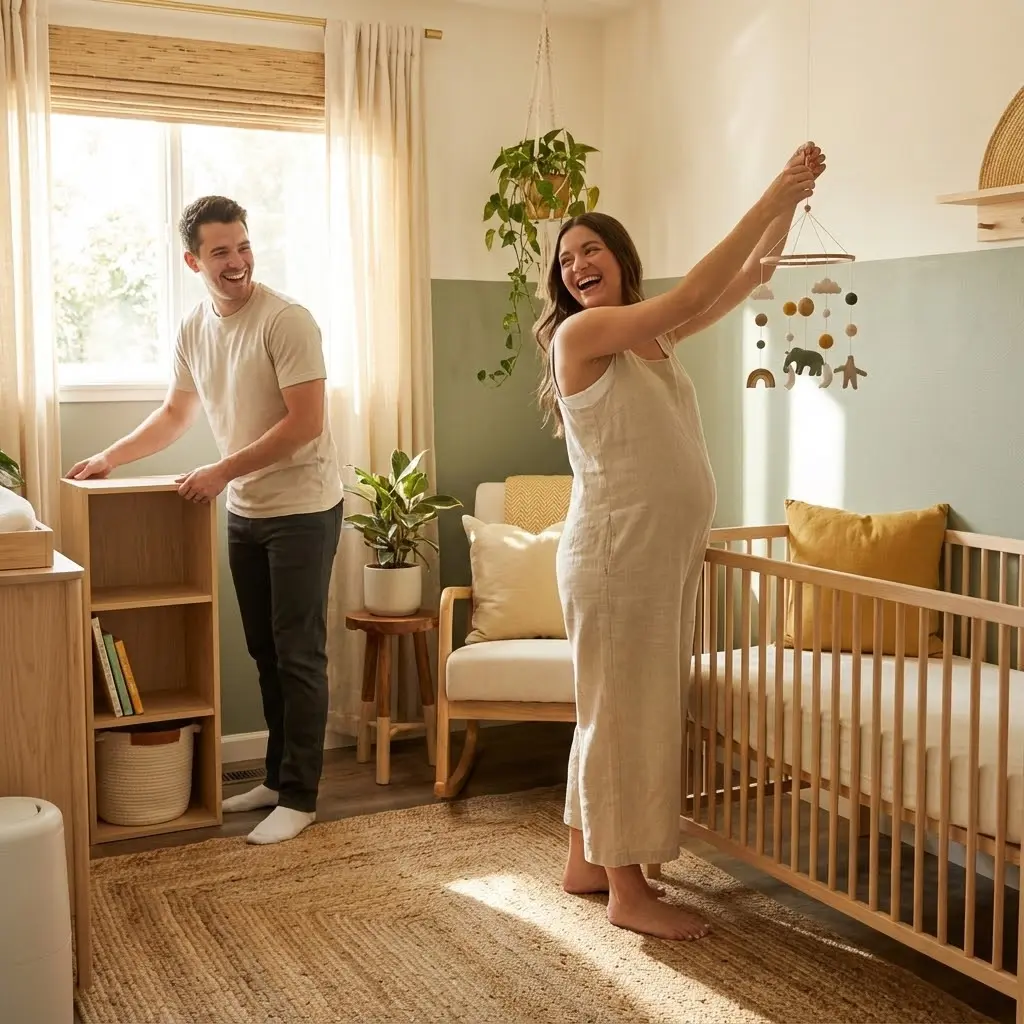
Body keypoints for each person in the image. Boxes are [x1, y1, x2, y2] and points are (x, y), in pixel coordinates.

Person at [534, 143, 826, 939]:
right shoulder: (583, 337)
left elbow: (745, 282)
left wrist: (792, 208)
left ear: (621, 261)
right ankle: (629, 893)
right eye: (566, 259)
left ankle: (586, 863)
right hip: (615, 556)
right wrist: (771, 190)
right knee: (625, 715)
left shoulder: (648, 337)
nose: (577, 264)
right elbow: (697, 287)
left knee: (610, 711)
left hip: (646, 559)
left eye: (590, 249)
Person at [66, 195, 344, 846]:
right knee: (264, 651)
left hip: (304, 508)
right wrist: (108, 456)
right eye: (221, 251)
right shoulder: (195, 328)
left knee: (299, 654)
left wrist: (220, 473)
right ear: (194, 260)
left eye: (243, 246)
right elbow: (175, 414)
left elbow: (305, 426)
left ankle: (301, 797)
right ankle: (277, 779)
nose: (238, 261)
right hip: (247, 511)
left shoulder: (287, 321)